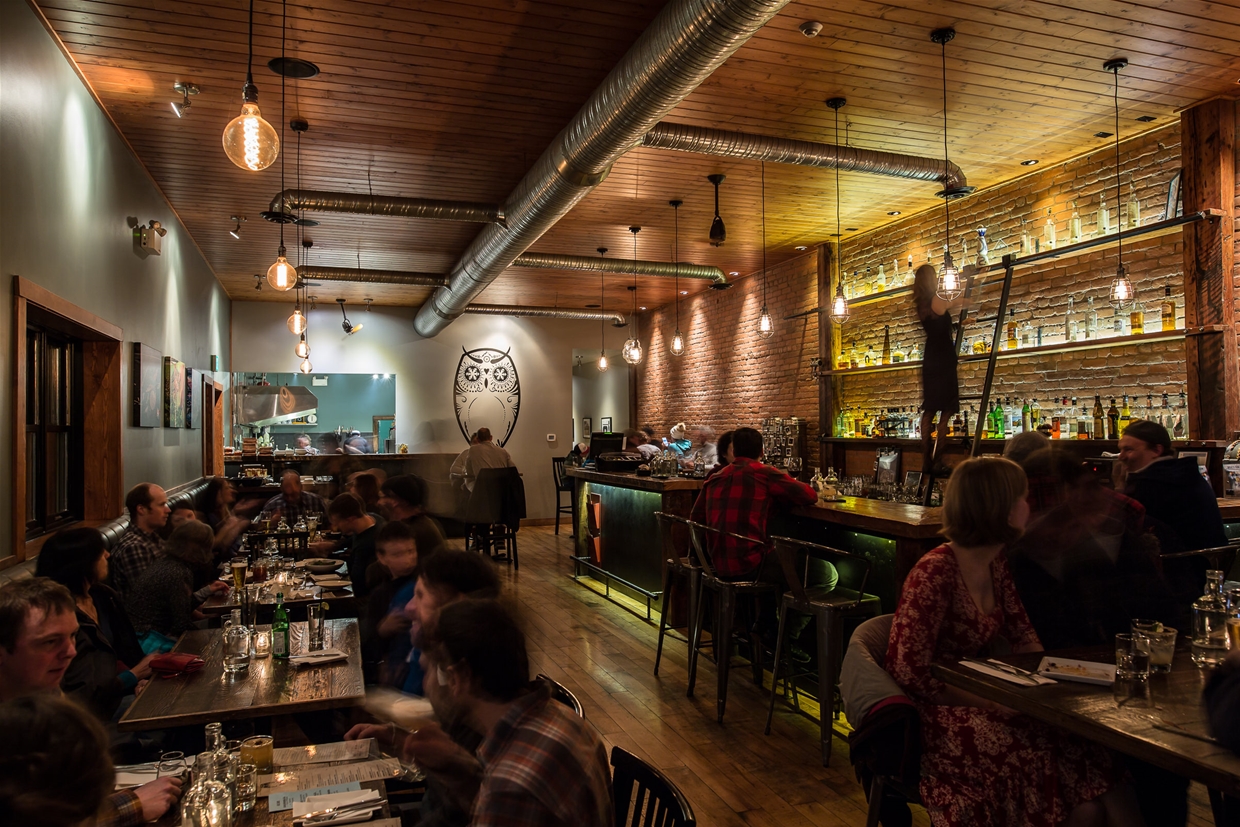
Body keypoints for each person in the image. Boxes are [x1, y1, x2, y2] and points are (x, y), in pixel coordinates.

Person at [886, 456, 1142, 826]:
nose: (1030, 505)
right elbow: (908, 671)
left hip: (985, 699)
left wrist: (1050, 684)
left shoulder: (996, 562)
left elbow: (1024, 635)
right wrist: (991, 701)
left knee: (1090, 750)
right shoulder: (934, 570)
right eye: (1022, 497)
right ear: (1001, 508)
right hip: (936, 716)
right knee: (1052, 751)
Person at [350, 599, 614, 826]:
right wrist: (460, 770)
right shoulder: (565, 718)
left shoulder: (508, 788)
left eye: (430, 669)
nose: (427, 683)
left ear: (458, 678)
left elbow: (502, 799)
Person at [0, 579, 182, 825]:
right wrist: (132, 804)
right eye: (50, 642)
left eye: (72, 636)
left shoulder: (44, 692)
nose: (70, 652)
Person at [691, 426, 819, 656]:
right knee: (825, 573)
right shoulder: (764, 472)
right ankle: (782, 636)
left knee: (776, 561)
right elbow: (810, 495)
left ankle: (765, 624)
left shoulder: (715, 478)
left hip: (716, 564)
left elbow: (696, 518)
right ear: (762, 450)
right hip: (750, 565)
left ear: (734, 450)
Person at [35, 528, 153, 723]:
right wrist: (132, 677)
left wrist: (140, 680)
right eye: (100, 552)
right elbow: (81, 693)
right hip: (89, 714)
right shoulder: (59, 616)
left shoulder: (103, 596)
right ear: (83, 562)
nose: (108, 555)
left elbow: (124, 651)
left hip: (119, 694)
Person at [127, 522, 227, 653]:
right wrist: (215, 642)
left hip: (143, 635)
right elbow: (181, 625)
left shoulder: (168, 563)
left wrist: (207, 591)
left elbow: (181, 607)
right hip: (150, 640)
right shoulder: (178, 572)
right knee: (223, 629)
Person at [913, 263, 964, 481]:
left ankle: (927, 460)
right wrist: (970, 283)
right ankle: (938, 459)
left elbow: (938, 329)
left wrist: (958, 326)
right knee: (946, 410)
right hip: (942, 360)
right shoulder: (936, 299)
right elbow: (957, 301)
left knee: (930, 410)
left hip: (931, 358)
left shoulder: (922, 303)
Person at [109, 483, 171, 597]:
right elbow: (149, 597)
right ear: (141, 509)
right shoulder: (134, 547)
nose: (168, 510)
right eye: (161, 505)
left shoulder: (152, 537)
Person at [328, 492, 383, 600]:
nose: (336, 527)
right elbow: (354, 538)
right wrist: (333, 546)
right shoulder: (373, 518)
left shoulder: (366, 545)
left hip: (366, 598)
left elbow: (356, 582)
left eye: (338, 522)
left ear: (350, 519)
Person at [380, 475, 447, 560]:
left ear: (402, 501)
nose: (379, 502)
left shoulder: (416, 531)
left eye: (384, 497)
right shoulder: (413, 523)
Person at [258, 469, 328, 526]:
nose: (290, 498)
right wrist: (271, 523)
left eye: (293, 495)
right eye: (286, 495)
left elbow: (328, 525)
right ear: (281, 489)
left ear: (301, 487)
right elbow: (259, 529)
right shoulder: (272, 505)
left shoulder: (315, 501)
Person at [462, 428, 515, 492]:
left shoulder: (473, 450)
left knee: (467, 484)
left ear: (478, 439)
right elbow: (513, 469)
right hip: (501, 490)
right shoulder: (503, 451)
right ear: (491, 438)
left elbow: (469, 470)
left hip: (482, 490)